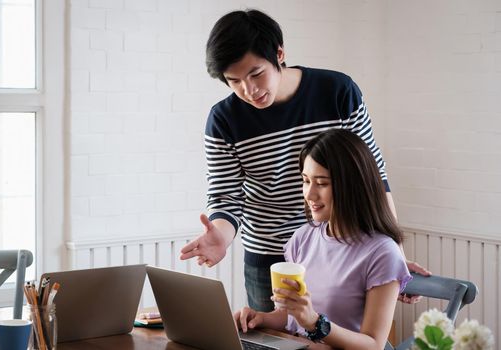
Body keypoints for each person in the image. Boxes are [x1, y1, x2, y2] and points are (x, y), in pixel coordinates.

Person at [180, 9, 428, 312]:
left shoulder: (337, 93)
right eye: (235, 81)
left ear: (279, 53)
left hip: (342, 251)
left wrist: (395, 255)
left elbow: (373, 177)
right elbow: (226, 198)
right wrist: (221, 235)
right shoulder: (223, 121)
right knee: (271, 342)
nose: (249, 90)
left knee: (342, 339)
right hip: (270, 257)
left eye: (256, 74)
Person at [235, 129, 412, 349]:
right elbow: (290, 317)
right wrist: (260, 318)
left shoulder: (383, 253)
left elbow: (373, 345)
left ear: (352, 185)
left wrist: (315, 323)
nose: (309, 194)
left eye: (321, 183)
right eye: (306, 181)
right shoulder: (302, 238)